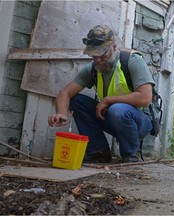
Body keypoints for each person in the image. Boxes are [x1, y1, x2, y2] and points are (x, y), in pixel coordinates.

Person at [48, 24, 155, 163]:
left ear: (114, 48)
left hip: (139, 122)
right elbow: (65, 93)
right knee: (77, 101)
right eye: (94, 55)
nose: (98, 59)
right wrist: (62, 112)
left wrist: (109, 100)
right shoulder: (93, 69)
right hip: (113, 119)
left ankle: (130, 156)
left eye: (102, 54)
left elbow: (145, 98)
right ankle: (99, 152)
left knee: (118, 109)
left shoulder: (133, 62)